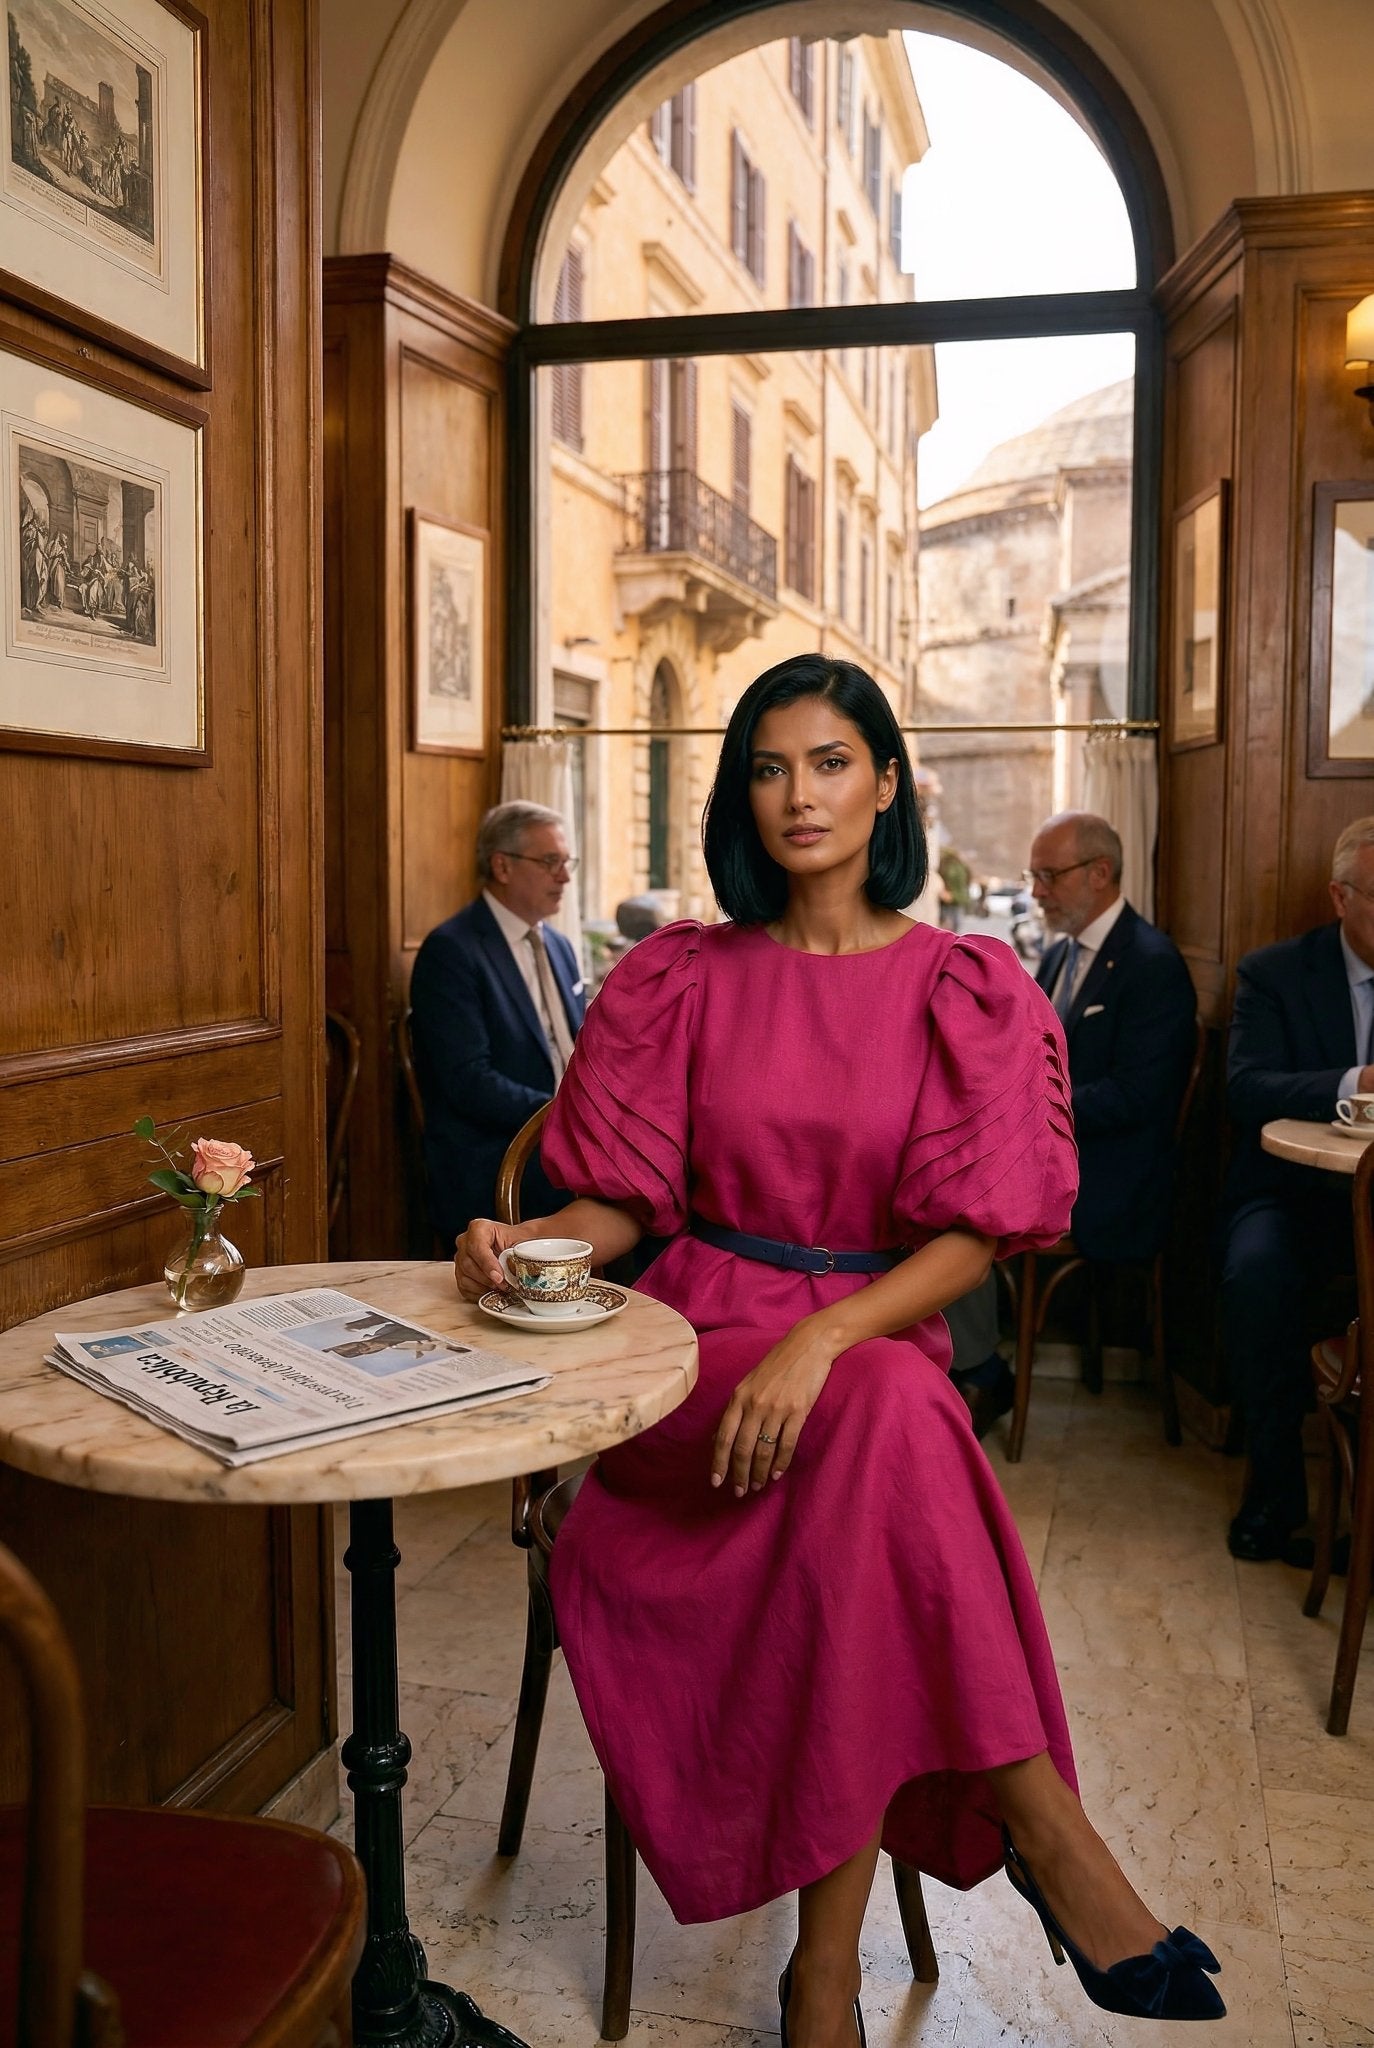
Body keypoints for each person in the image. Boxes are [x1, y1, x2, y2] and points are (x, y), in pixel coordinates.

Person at [454, 658, 1225, 2043]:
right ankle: (1045, 1833)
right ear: (738, 794)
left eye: (826, 762)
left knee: (871, 1431)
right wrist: (528, 1244)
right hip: (691, 1372)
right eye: (766, 766)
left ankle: (824, 1973)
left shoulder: (960, 984)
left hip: (851, 1345)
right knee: (891, 1434)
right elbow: (622, 1204)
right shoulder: (682, 974)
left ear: (884, 783)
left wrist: (821, 1334)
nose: (795, 794)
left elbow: (983, 1233)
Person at [952, 812, 1197, 1437]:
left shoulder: (1151, 963)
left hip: (1113, 1179)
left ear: (1101, 873)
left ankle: (979, 1376)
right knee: (934, 1180)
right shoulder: (1063, 952)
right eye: (1033, 876)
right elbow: (1026, 1053)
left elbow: (1136, 1097)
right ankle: (961, 1370)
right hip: (1056, 1153)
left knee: (955, 1206)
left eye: (1048, 876)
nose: (1036, 892)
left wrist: (1025, 1110)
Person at [1220, 816, 1374, 1562]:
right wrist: (1355, 1084)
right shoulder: (1276, 972)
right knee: (1256, 1273)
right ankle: (1275, 1494)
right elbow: (1247, 1087)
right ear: (1341, 897)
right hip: (1288, 1193)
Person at [410, 800, 584, 1247]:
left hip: (565, 1135)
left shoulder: (560, 945)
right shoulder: (452, 950)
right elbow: (469, 1081)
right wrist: (562, 1116)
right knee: (633, 1198)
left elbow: (580, 1048)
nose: (564, 877)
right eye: (550, 862)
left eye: (566, 863)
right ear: (502, 866)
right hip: (499, 1153)